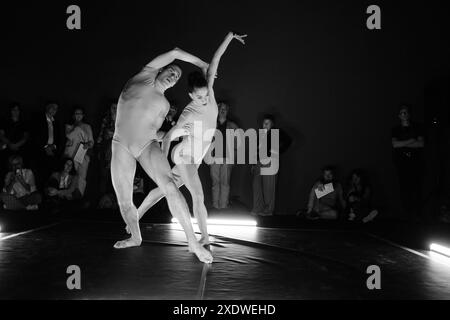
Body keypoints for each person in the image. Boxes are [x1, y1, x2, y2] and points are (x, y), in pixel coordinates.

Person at [128, 32, 247, 248]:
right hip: (185, 156)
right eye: (199, 97)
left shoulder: (209, 91)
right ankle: (204, 237)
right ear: (191, 95)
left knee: (167, 189)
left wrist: (230, 37)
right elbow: (171, 137)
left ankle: (136, 214)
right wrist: (162, 163)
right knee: (198, 194)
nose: (204, 100)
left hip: (195, 155)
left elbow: (216, 60)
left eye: (205, 95)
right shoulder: (188, 113)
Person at [111, 45, 214, 263]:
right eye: (171, 72)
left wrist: (174, 133)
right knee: (124, 201)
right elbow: (175, 52)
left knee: (169, 186)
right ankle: (136, 237)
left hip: (146, 145)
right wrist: (201, 64)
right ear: (160, 70)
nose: (173, 76)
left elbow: (152, 131)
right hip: (120, 143)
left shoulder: (165, 104)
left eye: (176, 77)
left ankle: (193, 242)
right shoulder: (145, 76)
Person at [251, 114, 292, 216]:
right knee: (257, 186)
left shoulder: (276, 132)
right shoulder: (261, 134)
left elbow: (288, 141)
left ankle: (268, 210)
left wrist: (276, 151)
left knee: (268, 187)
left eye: (267, 123)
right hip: (259, 162)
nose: (264, 125)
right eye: (263, 123)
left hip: (270, 162)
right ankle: (257, 208)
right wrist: (253, 163)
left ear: (272, 124)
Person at [391, 104, 425, 220]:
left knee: (417, 186)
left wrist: (403, 143)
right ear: (399, 115)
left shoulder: (417, 127)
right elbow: (395, 144)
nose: (404, 114)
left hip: (415, 161)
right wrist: (411, 140)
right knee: (404, 187)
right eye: (402, 113)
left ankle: (418, 213)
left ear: (409, 114)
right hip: (402, 162)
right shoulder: (395, 129)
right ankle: (407, 213)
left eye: (406, 112)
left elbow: (420, 144)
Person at [209, 102, 239, 209]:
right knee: (215, 183)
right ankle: (215, 205)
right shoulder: (211, 124)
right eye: (220, 108)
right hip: (214, 157)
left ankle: (224, 204)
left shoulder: (233, 126)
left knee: (225, 182)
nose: (222, 110)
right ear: (217, 110)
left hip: (227, 158)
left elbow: (238, 143)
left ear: (227, 111)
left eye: (224, 109)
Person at [64, 107, 94, 197]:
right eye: (76, 113)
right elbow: (68, 138)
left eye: (80, 113)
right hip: (70, 152)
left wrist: (88, 145)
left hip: (82, 152)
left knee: (81, 176)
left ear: (83, 115)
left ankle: (79, 196)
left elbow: (91, 141)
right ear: (73, 115)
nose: (78, 116)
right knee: (69, 174)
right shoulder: (69, 126)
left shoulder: (87, 126)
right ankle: (66, 195)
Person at [32, 103, 62, 189]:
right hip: (41, 152)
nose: (54, 110)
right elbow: (35, 136)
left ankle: (50, 196)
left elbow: (60, 139)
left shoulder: (56, 122)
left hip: (53, 152)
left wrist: (54, 147)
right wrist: (45, 147)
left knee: (51, 175)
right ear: (47, 108)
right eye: (52, 108)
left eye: (56, 109)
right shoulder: (38, 120)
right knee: (41, 175)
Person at [96, 102, 117, 198]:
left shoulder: (123, 120)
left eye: (117, 107)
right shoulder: (106, 119)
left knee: (115, 178)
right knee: (103, 176)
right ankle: (102, 199)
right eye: (113, 107)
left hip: (117, 152)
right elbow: (101, 135)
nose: (115, 109)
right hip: (106, 150)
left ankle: (113, 200)